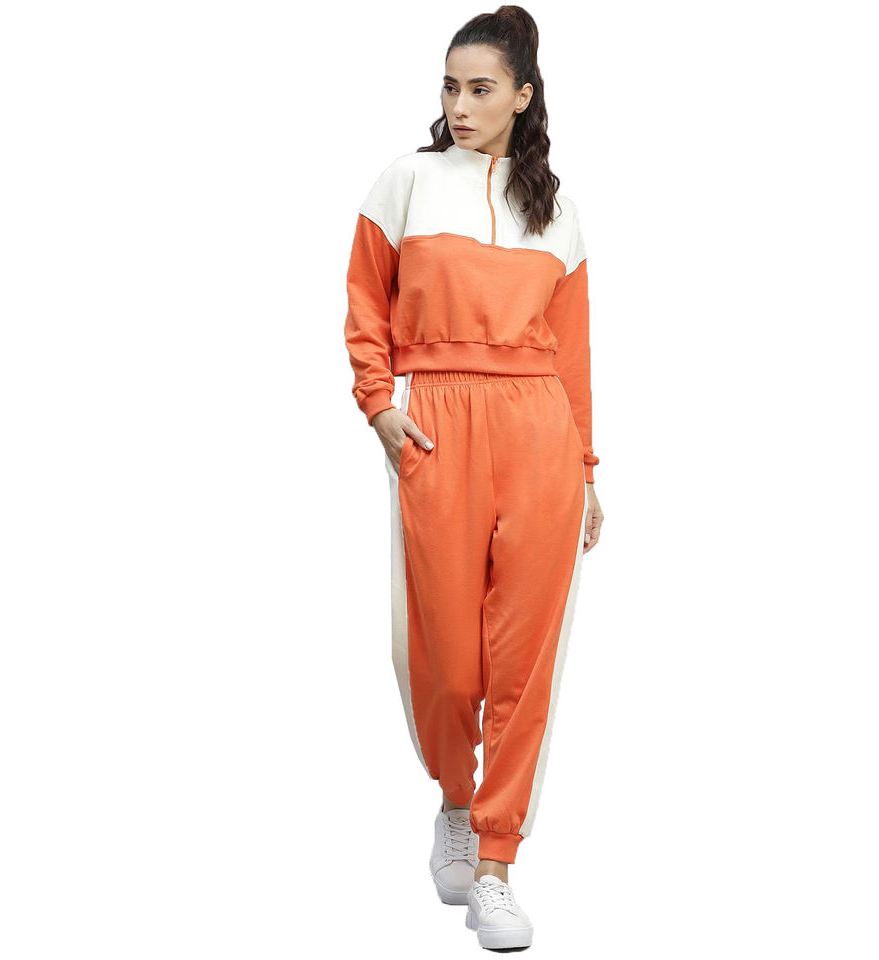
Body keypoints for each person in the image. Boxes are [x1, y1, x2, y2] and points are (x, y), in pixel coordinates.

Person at [343, 6, 603, 950]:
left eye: (481, 88)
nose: (460, 104)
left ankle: (497, 861)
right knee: (447, 658)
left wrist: (586, 469)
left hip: (539, 430)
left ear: (522, 97)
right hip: (438, 423)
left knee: (524, 661)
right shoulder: (406, 181)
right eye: (450, 86)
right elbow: (365, 302)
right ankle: (455, 798)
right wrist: (379, 404)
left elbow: (571, 354)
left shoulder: (557, 212)